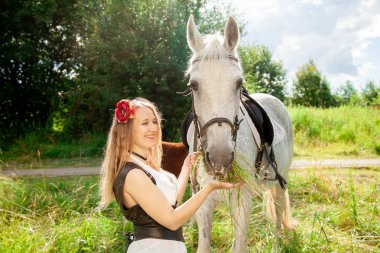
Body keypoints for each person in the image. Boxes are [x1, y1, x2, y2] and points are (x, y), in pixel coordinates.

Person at [99, 97, 240, 253]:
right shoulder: (133, 174)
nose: (153, 128)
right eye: (145, 123)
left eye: (154, 121)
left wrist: (186, 168)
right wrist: (208, 188)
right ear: (126, 131)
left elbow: (172, 202)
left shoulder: (145, 166)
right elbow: (172, 221)